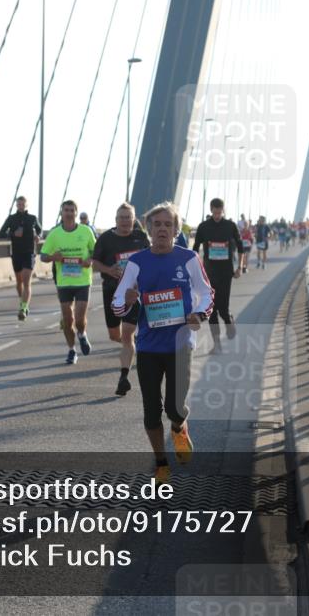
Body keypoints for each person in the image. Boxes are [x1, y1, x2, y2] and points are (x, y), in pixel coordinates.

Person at [111, 202, 214, 482]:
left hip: (181, 344)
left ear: (176, 230)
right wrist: (128, 300)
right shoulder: (137, 262)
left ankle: (180, 428)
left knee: (175, 408)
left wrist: (200, 314)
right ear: (148, 229)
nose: (162, 229)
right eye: (157, 224)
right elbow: (117, 301)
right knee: (151, 413)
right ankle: (161, 463)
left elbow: (207, 294)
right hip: (148, 346)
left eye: (168, 224)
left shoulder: (189, 258)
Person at [92, 202, 149, 395]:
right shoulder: (106, 239)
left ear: (134, 220)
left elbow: (152, 258)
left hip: (133, 294)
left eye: (128, 217)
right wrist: (109, 270)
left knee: (127, 336)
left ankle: (123, 377)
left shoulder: (140, 238)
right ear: (116, 220)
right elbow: (94, 263)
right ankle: (132, 347)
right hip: (112, 291)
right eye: (122, 218)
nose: (125, 221)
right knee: (114, 335)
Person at [40, 200, 97, 364]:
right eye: (66, 210)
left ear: (76, 213)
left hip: (82, 280)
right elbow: (43, 255)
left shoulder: (86, 231)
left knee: (79, 319)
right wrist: (53, 257)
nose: (69, 213)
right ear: (61, 212)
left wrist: (90, 260)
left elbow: (96, 251)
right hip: (64, 281)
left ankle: (82, 334)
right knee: (67, 320)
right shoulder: (55, 234)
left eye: (72, 210)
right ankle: (72, 350)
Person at [193, 198, 243, 354]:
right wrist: (196, 270)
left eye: (219, 213)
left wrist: (240, 267)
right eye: (214, 212)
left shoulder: (230, 226)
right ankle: (217, 344)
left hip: (226, 272)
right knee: (211, 309)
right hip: (209, 273)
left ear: (223, 210)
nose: (217, 215)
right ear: (210, 210)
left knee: (223, 308)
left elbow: (241, 247)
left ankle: (229, 321)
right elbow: (194, 250)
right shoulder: (203, 227)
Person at [0, 196, 42, 321]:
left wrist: (38, 236)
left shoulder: (32, 218)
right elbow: (0, 233)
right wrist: (12, 234)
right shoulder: (11, 219)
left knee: (26, 280)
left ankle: (24, 308)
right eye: (19, 204)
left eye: (23, 204)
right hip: (16, 253)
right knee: (19, 283)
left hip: (29, 253)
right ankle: (22, 302)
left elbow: (40, 231)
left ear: (26, 205)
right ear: (16, 205)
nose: (21, 206)